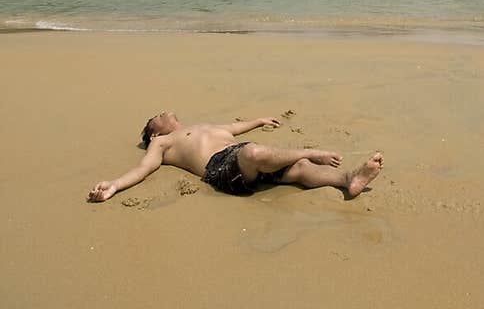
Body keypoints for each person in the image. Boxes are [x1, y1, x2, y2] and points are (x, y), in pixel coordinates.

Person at [87, 109, 383, 202]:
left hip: (240, 157)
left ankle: (348, 180)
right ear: (154, 133)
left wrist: (259, 121)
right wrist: (114, 185)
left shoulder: (202, 126)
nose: (162, 113)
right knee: (255, 152)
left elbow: (234, 127)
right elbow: (143, 168)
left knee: (299, 169)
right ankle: (312, 151)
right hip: (221, 169)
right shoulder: (163, 143)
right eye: (155, 117)